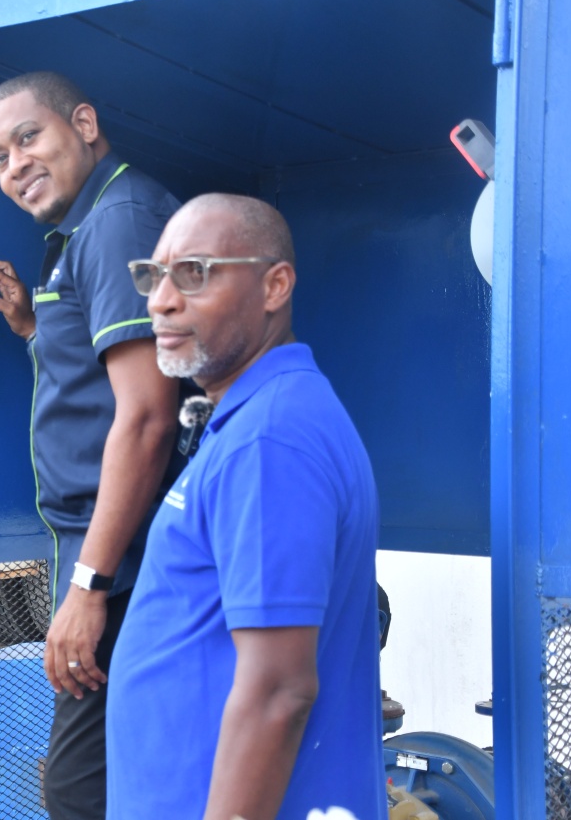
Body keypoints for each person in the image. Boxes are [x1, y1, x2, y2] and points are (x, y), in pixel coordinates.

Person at [106, 194, 385, 820]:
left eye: (195, 272)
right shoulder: (259, 420)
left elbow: (278, 690)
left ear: (274, 286)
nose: (160, 300)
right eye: (152, 276)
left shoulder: (269, 439)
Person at [0, 72, 181, 820]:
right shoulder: (89, 229)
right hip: (117, 557)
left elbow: (148, 415)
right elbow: (102, 382)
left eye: (28, 137)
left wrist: (89, 587)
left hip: (127, 565)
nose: (14, 166)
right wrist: (37, 326)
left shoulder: (118, 219)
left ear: (84, 123)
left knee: (77, 790)